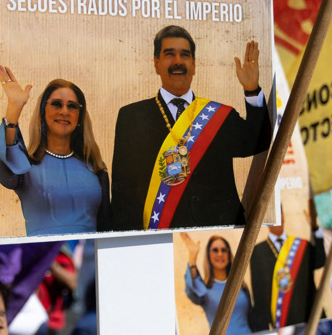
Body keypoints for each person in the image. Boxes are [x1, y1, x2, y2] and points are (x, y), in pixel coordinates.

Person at [111, 26, 272, 231]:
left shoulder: (219, 115)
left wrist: (251, 90)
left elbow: (258, 141)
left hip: (219, 233)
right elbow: (122, 193)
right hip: (160, 235)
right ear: (156, 63)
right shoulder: (132, 117)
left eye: (185, 55)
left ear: (194, 65)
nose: (178, 61)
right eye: (170, 54)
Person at [0, 65, 110, 235]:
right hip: (46, 258)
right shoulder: (25, 165)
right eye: (56, 104)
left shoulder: (95, 167)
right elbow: (2, 165)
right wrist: (14, 108)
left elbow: (107, 227)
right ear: (42, 112)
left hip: (88, 257)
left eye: (72, 106)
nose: (64, 112)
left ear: (79, 116)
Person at [247, 207, 325, 332]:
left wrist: (315, 229)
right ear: (266, 221)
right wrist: (264, 327)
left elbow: (320, 262)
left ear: (284, 216)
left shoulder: (301, 244)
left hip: (308, 312)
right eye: (272, 216)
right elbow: (258, 292)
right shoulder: (257, 251)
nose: (277, 220)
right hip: (281, 318)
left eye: (279, 214)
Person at [179, 233, 253, 335]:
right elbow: (192, 290)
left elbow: (252, 319)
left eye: (223, 250)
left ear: (228, 254)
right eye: (215, 250)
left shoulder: (240, 286)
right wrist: (192, 258)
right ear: (209, 255)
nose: (220, 254)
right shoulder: (204, 290)